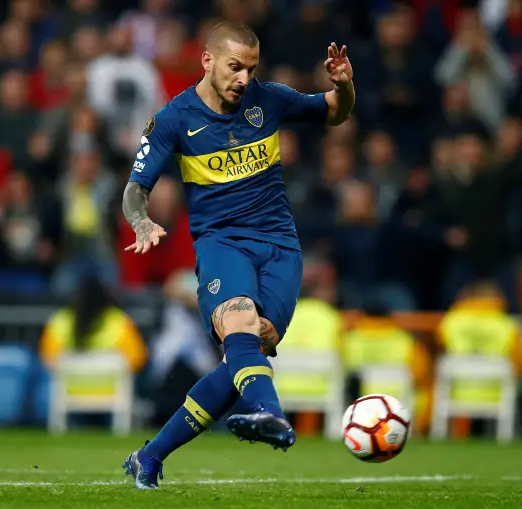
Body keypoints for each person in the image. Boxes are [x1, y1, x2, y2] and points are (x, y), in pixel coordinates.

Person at [121, 21, 354, 489]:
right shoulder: (174, 118)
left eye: (251, 68)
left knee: (244, 359)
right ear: (207, 61)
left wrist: (344, 86)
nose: (244, 79)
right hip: (222, 244)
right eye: (235, 67)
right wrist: (142, 221)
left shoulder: (269, 99)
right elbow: (134, 189)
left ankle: (149, 456)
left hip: (282, 249)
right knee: (241, 323)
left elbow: (333, 113)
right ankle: (271, 416)